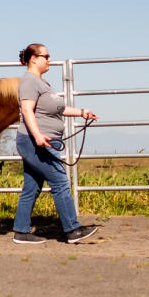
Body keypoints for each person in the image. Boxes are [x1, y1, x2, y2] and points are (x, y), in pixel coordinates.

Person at [12, 43, 99, 244]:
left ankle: (21, 231)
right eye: (46, 56)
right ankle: (72, 229)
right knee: (60, 181)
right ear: (33, 58)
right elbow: (27, 111)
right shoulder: (29, 82)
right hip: (35, 142)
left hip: (40, 141)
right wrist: (38, 136)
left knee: (32, 186)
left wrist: (81, 112)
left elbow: (56, 109)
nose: (49, 59)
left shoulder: (42, 84)